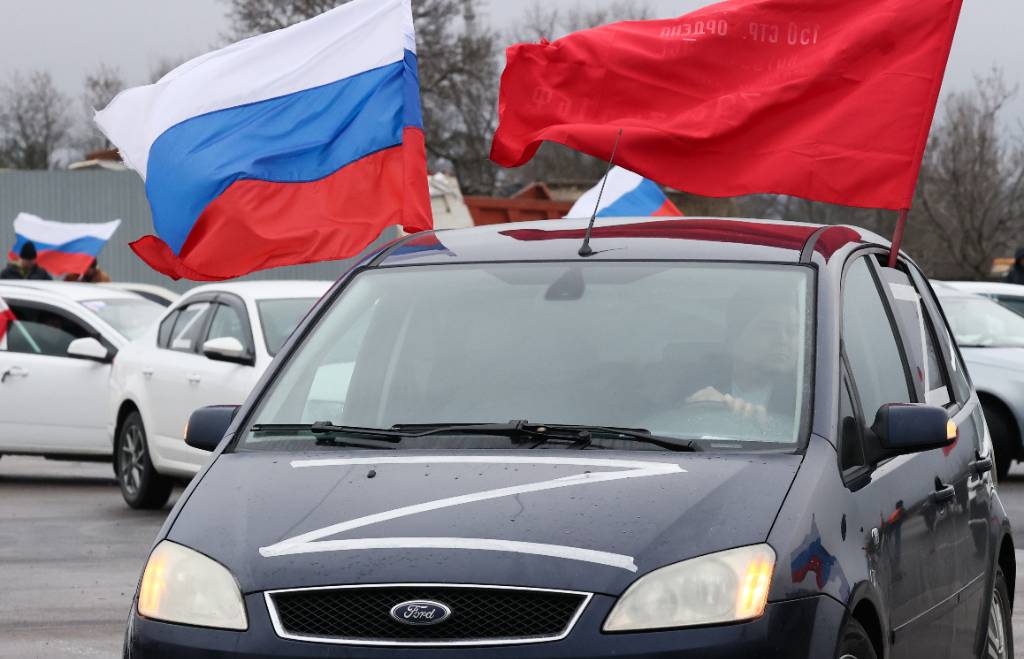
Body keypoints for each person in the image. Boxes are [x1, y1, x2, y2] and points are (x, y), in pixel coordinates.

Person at [683, 292, 800, 422]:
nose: (783, 340)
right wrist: (695, 412)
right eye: (769, 329)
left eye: (793, 331)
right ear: (734, 337)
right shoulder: (691, 384)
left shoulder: (805, 399)